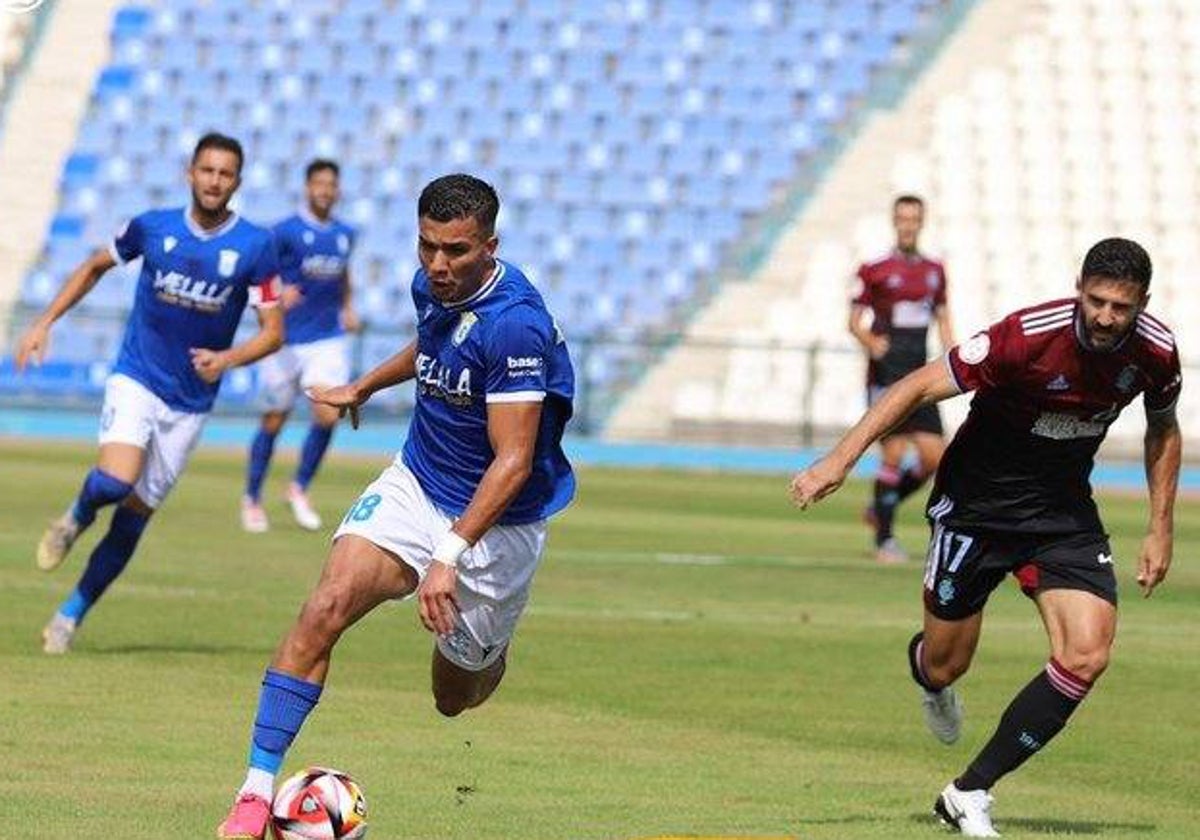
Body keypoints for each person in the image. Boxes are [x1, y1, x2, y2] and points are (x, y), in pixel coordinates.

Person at [216, 174, 576, 840]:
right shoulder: (430, 287)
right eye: (428, 246)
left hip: (498, 523)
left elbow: (514, 461)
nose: (439, 264)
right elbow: (435, 347)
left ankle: (491, 653)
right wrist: (364, 384)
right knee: (324, 607)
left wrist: (448, 555)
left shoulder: (516, 326)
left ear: (489, 246)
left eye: (457, 251)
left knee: (452, 697)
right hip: (417, 482)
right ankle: (253, 793)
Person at [792, 238, 1180, 837]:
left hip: (1061, 516)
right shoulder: (1024, 337)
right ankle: (927, 674)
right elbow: (917, 387)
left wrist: (1159, 527)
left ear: (1142, 304)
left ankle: (968, 791)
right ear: (1079, 287)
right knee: (947, 665)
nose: (1105, 317)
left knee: (1087, 652)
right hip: (975, 510)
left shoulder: (1155, 352)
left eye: (1120, 308)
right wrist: (839, 460)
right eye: (1096, 301)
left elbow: (1163, 427)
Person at [15, 132, 284, 655]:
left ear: (238, 182)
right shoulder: (152, 227)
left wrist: (226, 360)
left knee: (136, 516)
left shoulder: (255, 246)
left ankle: (69, 616)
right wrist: (44, 322)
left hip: (190, 403)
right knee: (116, 480)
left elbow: (273, 331)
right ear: (190, 173)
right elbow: (95, 265)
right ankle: (75, 515)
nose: (214, 181)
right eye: (207, 170)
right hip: (137, 375)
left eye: (225, 173)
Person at [241, 159, 360, 533]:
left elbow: (343, 274)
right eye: (319, 183)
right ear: (307, 187)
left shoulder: (345, 233)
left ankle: (299, 488)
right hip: (284, 339)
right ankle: (252, 498)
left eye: (331, 184)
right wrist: (275, 295)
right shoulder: (283, 232)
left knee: (328, 414)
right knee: (273, 420)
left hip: (327, 338)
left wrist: (347, 307)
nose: (325, 190)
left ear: (337, 189)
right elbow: (256, 274)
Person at [849, 195, 954, 563]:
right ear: (894, 221)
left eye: (914, 219)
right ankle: (884, 539)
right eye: (902, 219)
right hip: (888, 370)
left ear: (921, 222)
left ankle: (881, 506)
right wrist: (870, 341)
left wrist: (950, 353)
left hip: (920, 369)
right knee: (893, 453)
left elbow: (942, 316)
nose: (908, 225)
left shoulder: (934, 270)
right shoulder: (874, 269)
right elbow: (854, 321)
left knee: (933, 458)